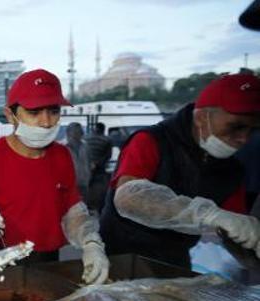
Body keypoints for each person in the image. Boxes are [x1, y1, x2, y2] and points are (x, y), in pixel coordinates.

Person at [0, 69, 109, 284]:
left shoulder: (62, 156)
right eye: (34, 112)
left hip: (51, 261)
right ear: (10, 115)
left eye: (53, 110)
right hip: (1, 263)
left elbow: (71, 210)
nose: (46, 122)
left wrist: (91, 242)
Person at [99, 73, 260, 268]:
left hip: (176, 259)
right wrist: (208, 215)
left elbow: (235, 229)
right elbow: (129, 198)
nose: (243, 138)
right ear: (202, 117)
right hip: (122, 255)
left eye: (252, 130)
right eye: (236, 127)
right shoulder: (152, 141)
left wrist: (251, 245)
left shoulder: (233, 170)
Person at [85, 122, 113, 213]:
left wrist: (90, 163)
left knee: (86, 186)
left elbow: (84, 152)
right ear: (103, 130)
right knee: (99, 188)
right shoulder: (107, 140)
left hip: (87, 166)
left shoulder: (86, 138)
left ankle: (86, 206)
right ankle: (97, 206)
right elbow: (108, 155)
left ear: (94, 128)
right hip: (99, 168)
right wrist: (97, 163)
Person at [64, 122, 91, 199]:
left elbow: (88, 162)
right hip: (69, 183)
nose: (79, 133)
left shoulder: (85, 145)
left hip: (84, 182)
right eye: (76, 131)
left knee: (83, 205)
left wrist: (88, 176)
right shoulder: (63, 147)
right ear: (69, 133)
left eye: (80, 131)